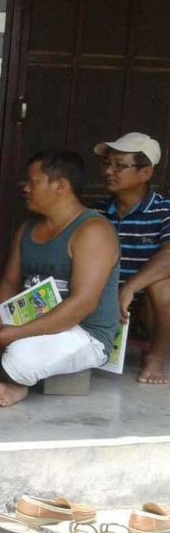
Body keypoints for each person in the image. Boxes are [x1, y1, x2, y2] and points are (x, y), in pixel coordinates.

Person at [0, 150, 120, 407]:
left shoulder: (93, 230)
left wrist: (16, 334)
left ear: (61, 186)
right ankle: (4, 383)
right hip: (25, 323)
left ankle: (10, 374)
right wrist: (0, 321)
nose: (26, 188)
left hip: (83, 333)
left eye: (34, 182)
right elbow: (9, 281)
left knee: (19, 357)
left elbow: (84, 303)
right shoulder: (27, 228)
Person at [92, 132, 170, 384]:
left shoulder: (164, 210)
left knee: (162, 286)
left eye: (120, 165)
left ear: (145, 173)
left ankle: (156, 356)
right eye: (107, 164)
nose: (109, 171)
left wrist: (130, 287)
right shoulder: (98, 212)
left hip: (148, 300)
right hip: (107, 298)